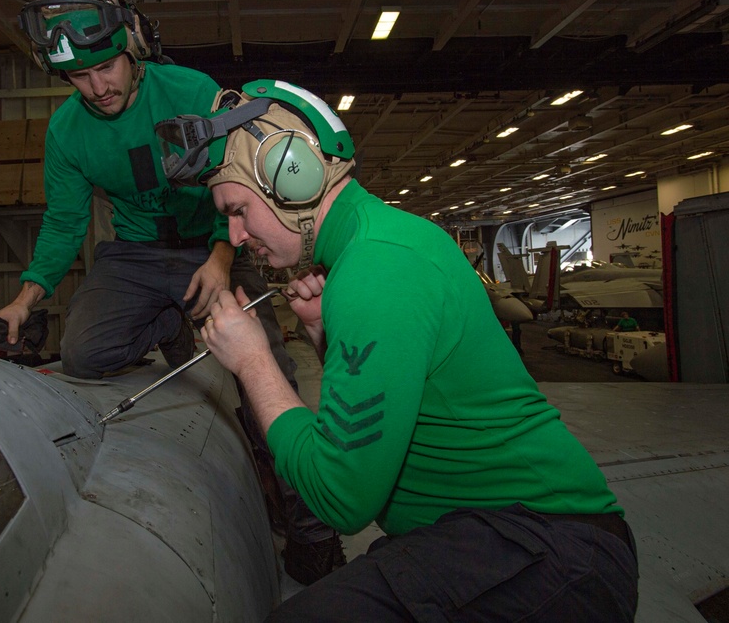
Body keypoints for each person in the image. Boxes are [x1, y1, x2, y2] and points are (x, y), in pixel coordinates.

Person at [158, 80, 639, 620]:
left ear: (293, 177)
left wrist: (252, 361)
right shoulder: (373, 244)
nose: (236, 233)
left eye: (239, 209)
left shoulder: (374, 270)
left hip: (551, 548)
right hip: (501, 535)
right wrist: (323, 334)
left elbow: (340, 499)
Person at [0, 0, 345, 582]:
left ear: (133, 51)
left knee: (266, 380)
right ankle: (167, 316)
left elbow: (235, 191)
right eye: (79, 77)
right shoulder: (66, 132)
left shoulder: (192, 91)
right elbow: (63, 222)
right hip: (132, 254)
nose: (97, 87)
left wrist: (217, 260)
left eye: (106, 67)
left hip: (211, 241)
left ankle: (314, 532)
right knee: (84, 351)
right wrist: (24, 301)